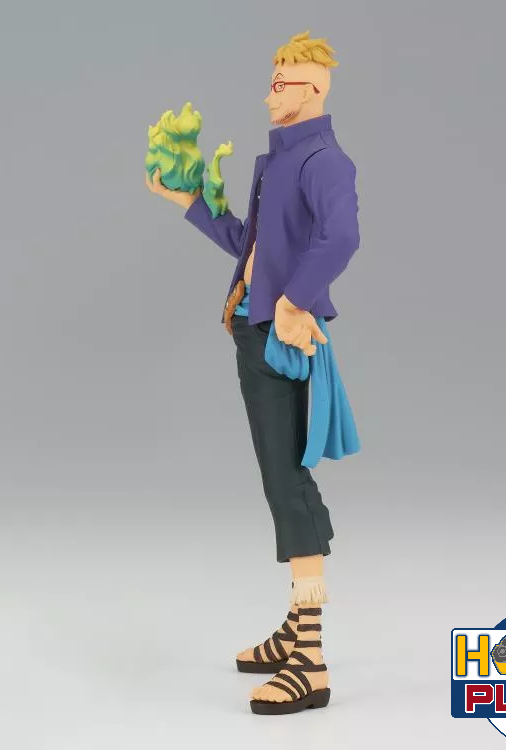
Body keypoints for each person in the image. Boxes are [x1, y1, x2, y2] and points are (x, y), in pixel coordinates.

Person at [146, 30, 360, 714]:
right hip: (254, 329)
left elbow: (342, 237)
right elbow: (253, 246)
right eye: (271, 82)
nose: (271, 94)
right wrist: (189, 204)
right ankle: (296, 629)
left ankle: (311, 661)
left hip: (279, 337)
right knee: (279, 478)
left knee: (288, 481)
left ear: (314, 89)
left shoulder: (325, 161)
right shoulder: (279, 161)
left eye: (282, 83)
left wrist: (295, 302)